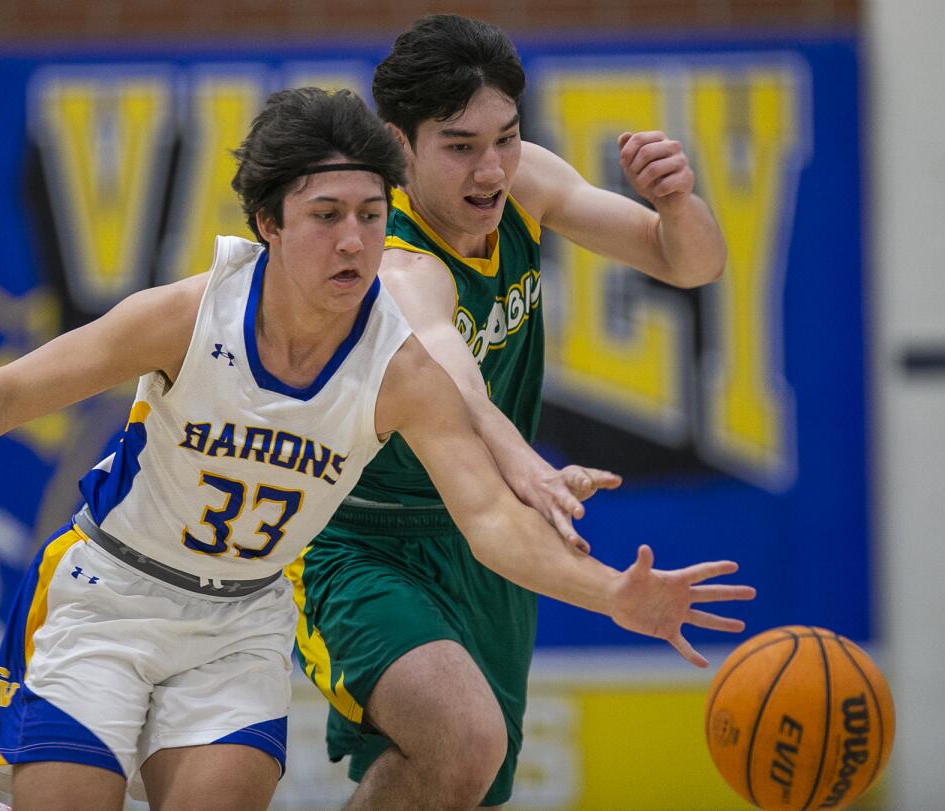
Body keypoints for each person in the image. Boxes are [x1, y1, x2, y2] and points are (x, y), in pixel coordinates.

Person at [0, 88, 749, 811]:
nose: (354, 241)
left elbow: (491, 522)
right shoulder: (192, 315)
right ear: (270, 223)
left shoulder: (395, 366)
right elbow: (9, 391)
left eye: (368, 214)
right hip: (111, 598)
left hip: (239, 627)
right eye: (325, 217)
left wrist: (612, 590)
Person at [287, 15, 731, 811]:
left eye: (507, 138)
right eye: (459, 145)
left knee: (466, 778)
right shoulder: (393, 256)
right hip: (358, 538)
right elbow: (446, 365)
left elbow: (689, 262)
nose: (490, 169)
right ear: (398, 147)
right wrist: (523, 461)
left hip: (483, 528)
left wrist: (675, 202)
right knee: (463, 738)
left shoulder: (521, 188)